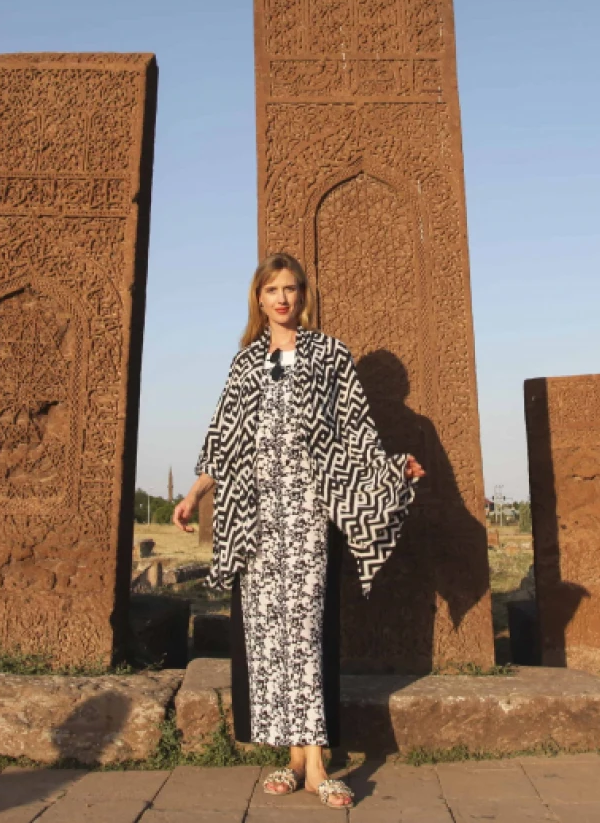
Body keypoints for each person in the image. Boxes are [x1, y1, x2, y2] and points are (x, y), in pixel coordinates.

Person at [173, 253, 424, 810]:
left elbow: (355, 430)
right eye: (272, 289)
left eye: (290, 288)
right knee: (266, 637)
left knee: (305, 631)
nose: (282, 298)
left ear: (302, 295)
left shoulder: (330, 354)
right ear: (258, 299)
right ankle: (290, 756)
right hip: (254, 513)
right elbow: (223, 437)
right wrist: (195, 493)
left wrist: (391, 465)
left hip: (307, 509)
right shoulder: (244, 365)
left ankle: (318, 763)